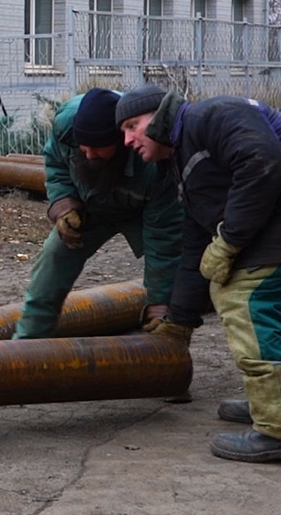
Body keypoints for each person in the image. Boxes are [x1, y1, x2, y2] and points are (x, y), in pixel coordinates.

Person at [115, 83, 281, 466]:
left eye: (132, 126)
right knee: (253, 302)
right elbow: (194, 247)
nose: (127, 139)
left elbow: (263, 163)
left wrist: (230, 241)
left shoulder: (210, 115)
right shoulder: (185, 157)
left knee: (247, 302)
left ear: (160, 115)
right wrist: (178, 323)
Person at [12, 88, 182, 340]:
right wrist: (64, 205)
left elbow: (164, 244)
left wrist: (160, 306)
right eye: (84, 148)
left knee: (180, 275)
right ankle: (25, 345)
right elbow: (56, 163)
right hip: (88, 205)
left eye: (98, 149)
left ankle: (165, 342)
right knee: (53, 259)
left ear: (122, 139)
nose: (89, 155)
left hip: (142, 210)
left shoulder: (153, 161)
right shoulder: (67, 122)